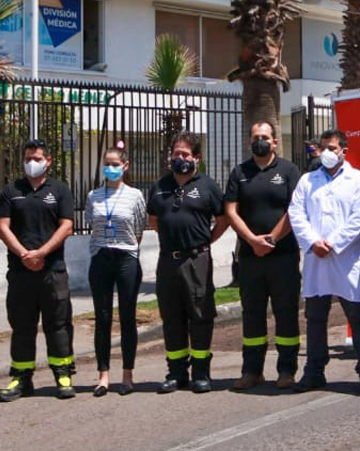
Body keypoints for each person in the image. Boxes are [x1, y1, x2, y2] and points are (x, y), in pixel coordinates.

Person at [288, 129, 360, 395]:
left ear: (344, 151)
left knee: (357, 316)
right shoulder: (307, 180)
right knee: (315, 317)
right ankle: (314, 372)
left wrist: (334, 243)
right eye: (323, 147)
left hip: (346, 258)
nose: (327, 153)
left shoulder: (359, 180)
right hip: (316, 258)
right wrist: (314, 241)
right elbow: (296, 212)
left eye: (332, 148)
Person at [148, 132, 230, 394]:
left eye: (185, 154)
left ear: (196, 157)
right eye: (176, 154)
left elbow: (223, 219)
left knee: (200, 316)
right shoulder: (160, 186)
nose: (179, 158)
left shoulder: (208, 186)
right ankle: (176, 372)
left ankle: (201, 372)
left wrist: (204, 242)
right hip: (168, 261)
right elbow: (154, 220)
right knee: (171, 317)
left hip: (197, 260)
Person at [0, 139, 76, 401]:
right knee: (21, 325)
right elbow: (3, 226)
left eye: (37, 158)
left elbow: (66, 226)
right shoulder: (11, 190)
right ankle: (21, 377)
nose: (32, 162)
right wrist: (24, 254)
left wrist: (41, 253)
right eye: (28, 158)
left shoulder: (60, 190)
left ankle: (63, 375)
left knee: (59, 324)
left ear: (48, 161)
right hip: (20, 271)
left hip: (52, 269)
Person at [225, 121, 302, 391]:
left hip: (284, 255)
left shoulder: (289, 171)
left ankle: (286, 370)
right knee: (253, 314)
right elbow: (231, 211)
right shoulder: (239, 173)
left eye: (265, 137)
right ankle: (252, 370)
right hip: (249, 257)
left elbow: (295, 209)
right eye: (256, 137)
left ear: (275, 142)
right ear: (249, 142)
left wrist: (271, 239)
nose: (261, 141)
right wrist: (252, 240)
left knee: (286, 313)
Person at [85, 146, 147, 397]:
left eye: (115, 164)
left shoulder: (135, 195)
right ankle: (103, 375)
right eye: (106, 164)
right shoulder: (93, 196)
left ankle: (128, 375)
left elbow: (140, 228)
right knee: (102, 317)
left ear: (125, 165)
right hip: (101, 257)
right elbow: (92, 221)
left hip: (126, 258)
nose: (110, 168)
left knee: (127, 316)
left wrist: (128, 247)